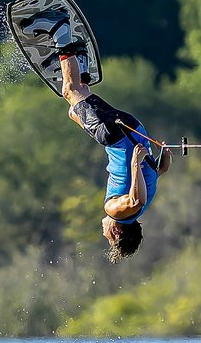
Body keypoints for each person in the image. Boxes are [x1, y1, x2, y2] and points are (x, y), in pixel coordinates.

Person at [58, 49, 167, 261]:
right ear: (116, 233)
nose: (103, 233)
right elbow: (136, 199)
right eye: (107, 238)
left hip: (133, 128)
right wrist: (135, 163)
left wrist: (165, 157)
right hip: (115, 136)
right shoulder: (116, 211)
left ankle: (80, 62)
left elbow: (160, 170)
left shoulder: (143, 206)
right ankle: (61, 35)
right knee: (70, 91)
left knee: (76, 107)